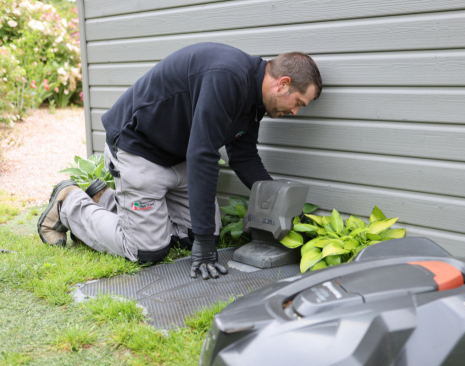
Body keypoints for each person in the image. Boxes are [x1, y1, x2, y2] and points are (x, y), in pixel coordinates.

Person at [37, 42, 322, 280]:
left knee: (192, 236)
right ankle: (69, 203)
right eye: (298, 102)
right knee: (147, 250)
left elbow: (244, 156)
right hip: (139, 148)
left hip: (177, 156)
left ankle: (106, 198)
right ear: (283, 84)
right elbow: (202, 154)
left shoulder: (253, 101)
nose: (295, 112)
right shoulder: (228, 76)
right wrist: (206, 247)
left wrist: (285, 208)